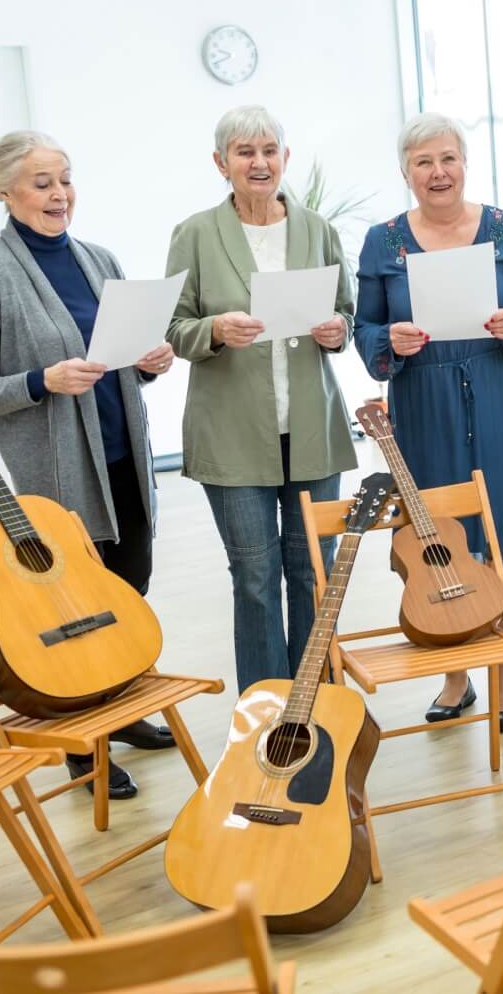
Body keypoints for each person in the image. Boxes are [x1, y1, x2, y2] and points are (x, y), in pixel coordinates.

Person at [0, 131, 176, 801]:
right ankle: (86, 743)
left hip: (124, 462)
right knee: (77, 609)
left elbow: (121, 356)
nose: (59, 194)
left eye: (65, 179)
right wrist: (42, 379)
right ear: (5, 193)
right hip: (58, 480)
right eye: (42, 182)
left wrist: (149, 363)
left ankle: (125, 712)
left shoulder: (99, 259)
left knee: (128, 589)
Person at [354, 112, 503, 733]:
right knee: (436, 547)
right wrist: (389, 338)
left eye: (448, 159)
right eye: (423, 162)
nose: (438, 173)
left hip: (495, 396)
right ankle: (454, 677)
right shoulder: (382, 241)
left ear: (465, 163)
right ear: (406, 172)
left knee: (502, 549)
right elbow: (364, 329)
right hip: (422, 404)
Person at [165, 105, 357, 695]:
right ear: (221, 163)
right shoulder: (195, 234)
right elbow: (173, 328)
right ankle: (263, 711)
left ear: (285, 158)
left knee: (310, 572)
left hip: (311, 429)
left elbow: (346, 312)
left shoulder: (317, 229)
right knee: (254, 575)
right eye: (245, 152)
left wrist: (336, 331)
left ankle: (313, 701)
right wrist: (215, 330)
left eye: (269, 150)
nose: (259, 162)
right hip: (233, 434)